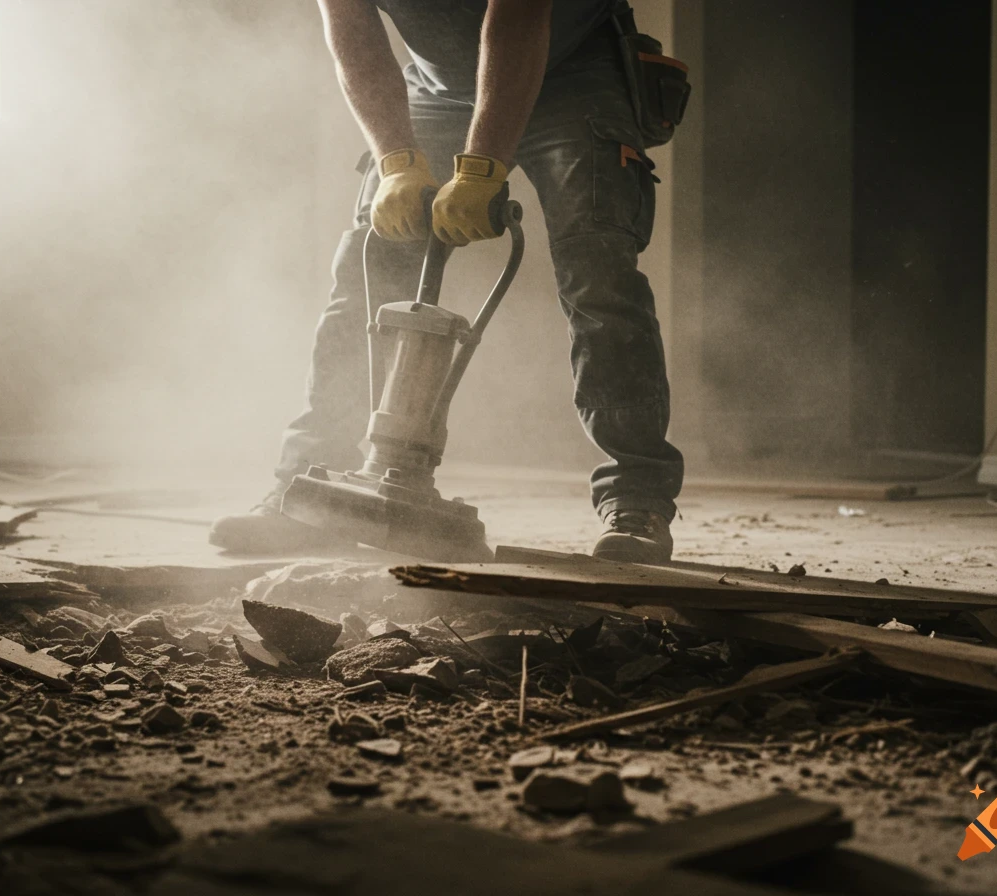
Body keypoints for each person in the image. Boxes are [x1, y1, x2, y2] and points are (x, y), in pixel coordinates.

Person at [212, 0, 685, 564]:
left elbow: (519, 18)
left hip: (575, 72)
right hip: (438, 87)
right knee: (369, 267)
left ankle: (638, 501)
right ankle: (305, 488)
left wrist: (483, 164)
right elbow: (351, 31)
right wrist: (394, 159)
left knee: (598, 274)